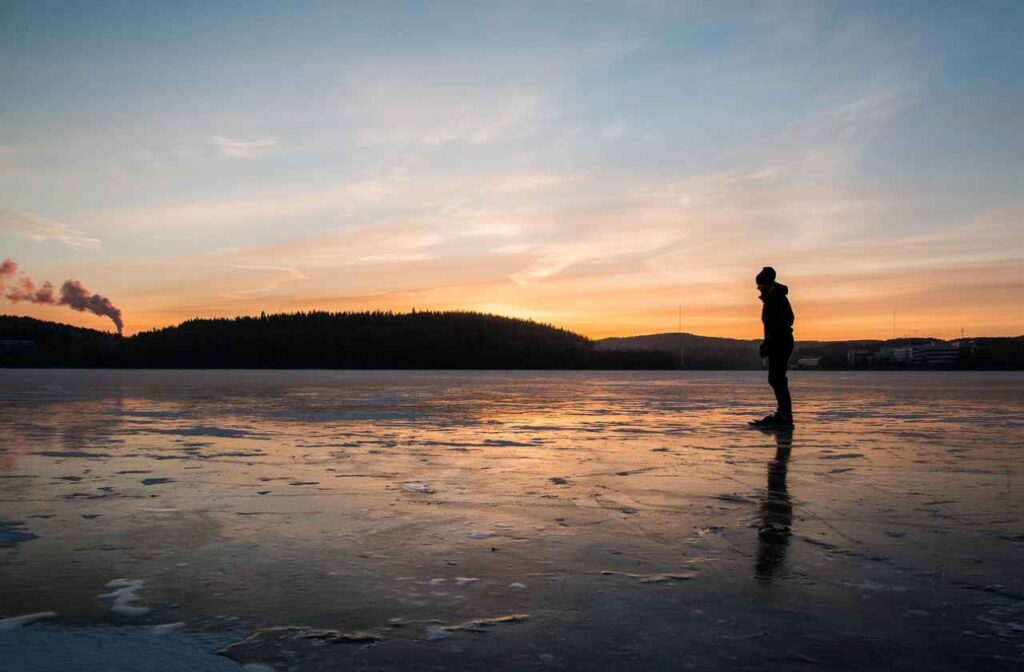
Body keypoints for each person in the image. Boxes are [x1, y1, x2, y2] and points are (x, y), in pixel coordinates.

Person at [751, 266, 794, 427]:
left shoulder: (777, 298)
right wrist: (768, 342)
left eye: (760, 284)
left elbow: (785, 321)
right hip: (778, 341)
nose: (758, 287)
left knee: (777, 378)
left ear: (767, 284)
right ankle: (783, 414)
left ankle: (785, 416)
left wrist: (770, 341)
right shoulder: (772, 298)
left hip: (781, 342)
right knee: (776, 378)